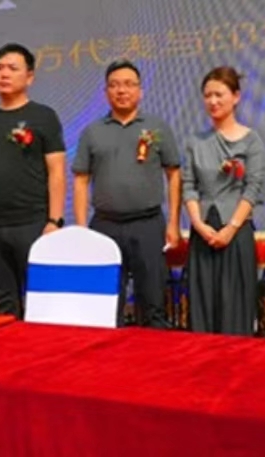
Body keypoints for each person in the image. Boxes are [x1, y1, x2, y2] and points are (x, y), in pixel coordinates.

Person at [0, 43, 66, 318]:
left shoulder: (44, 116)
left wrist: (55, 221)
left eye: (12, 68)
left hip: (32, 222)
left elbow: (56, 171)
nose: (4, 74)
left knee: (41, 300)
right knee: (2, 302)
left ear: (29, 77)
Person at [72, 59, 181, 328]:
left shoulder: (157, 127)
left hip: (148, 224)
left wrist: (173, 223)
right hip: (104, 225)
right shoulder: (92, 131)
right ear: (106, 92)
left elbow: (174, 174)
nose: (122, 90)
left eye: (129, 84)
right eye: (114, 85)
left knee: (153, 303)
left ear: (140, 91)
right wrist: (82, 229)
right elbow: (81, 180)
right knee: (106, 306)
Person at [181, 66, 265, 335]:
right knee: (203, 308)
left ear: (236, 97)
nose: (213, 101)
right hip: (203, 231)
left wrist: (231, 229)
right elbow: (189, 186)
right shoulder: (195, 141)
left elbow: (252, 188)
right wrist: (198, 224)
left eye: (219, 94)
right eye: (207, 95)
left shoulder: (251, 140)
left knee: (235, 308)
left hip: (236, 232)